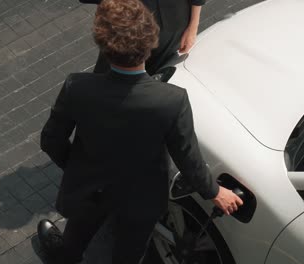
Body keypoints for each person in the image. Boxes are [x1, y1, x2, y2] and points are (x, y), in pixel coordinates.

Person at [37, 0, 243, 263]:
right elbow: (188, 159)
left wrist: (76, 166)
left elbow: (51, 140)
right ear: (151, 44)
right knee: (130, 254)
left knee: (76, 237)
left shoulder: (77, 87)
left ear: (103, 47)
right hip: (142, 197)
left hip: (91, 188)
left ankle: (64, 255)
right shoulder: (172, 100)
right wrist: (214, 192)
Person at [81, 0, 205, 75]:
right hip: (126, 26)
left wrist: (193, 25)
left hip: (173, 23)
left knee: (157, 72)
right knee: (109, 74)